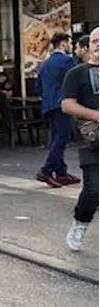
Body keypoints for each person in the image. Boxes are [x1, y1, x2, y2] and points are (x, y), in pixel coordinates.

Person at [62, 28, 100, 251]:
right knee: (94, 189)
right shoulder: (76, 73)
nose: (97, 44)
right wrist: (96, 115)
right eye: (94, 40)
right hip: (92, 140)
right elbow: (67, 104)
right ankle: (80, 222)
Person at [37, 33, 81, 187]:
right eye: (69, 43)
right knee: (61, 138)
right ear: (63, 44)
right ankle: (47, 170)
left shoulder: (45, 63)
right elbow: (75, 81)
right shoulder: (68, 61)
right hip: (62, 103)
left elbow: (38, 87)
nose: (70, 46)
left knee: (56, 136)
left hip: (48, 105)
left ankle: (61, 172)